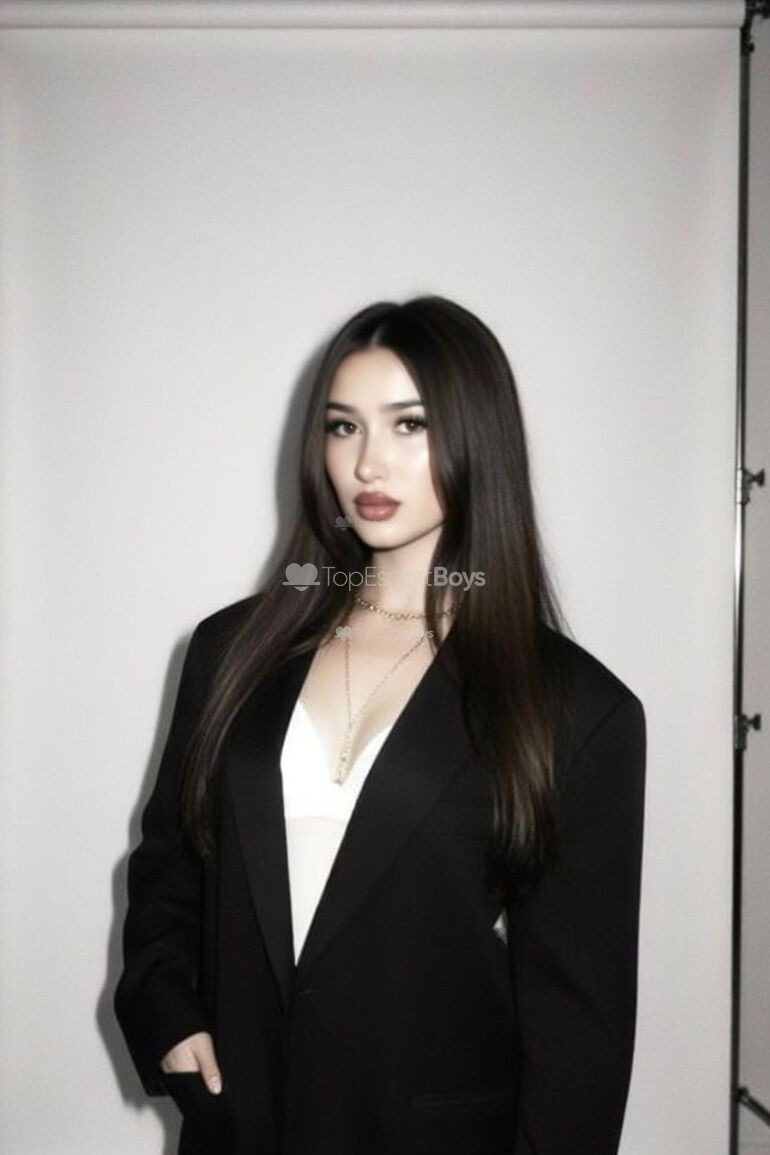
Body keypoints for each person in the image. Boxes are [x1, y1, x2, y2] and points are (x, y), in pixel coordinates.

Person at [114, 294, 647, 1155]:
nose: (368, 461)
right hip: (240, 1125)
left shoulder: (576, 708)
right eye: (343, 426)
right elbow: (171, 856)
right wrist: (167, 1009)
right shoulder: (232, 648)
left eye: (409, 424)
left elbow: (579, 1032)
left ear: (477, 436)